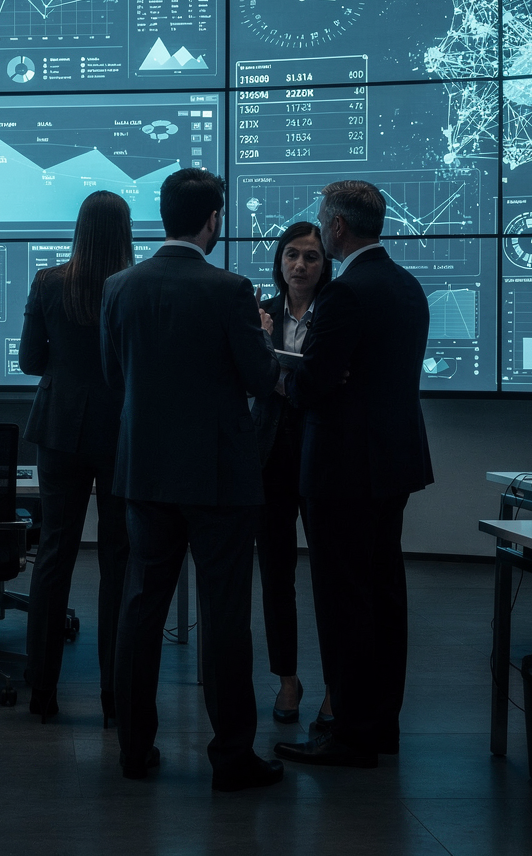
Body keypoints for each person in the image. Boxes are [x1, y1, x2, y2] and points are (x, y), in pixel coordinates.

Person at [101, 167, 287, 793]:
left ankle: (133, 747)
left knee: (140, 610)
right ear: (214, 219)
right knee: (224, 616)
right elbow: (261, 382)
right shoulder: (231, 290)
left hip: (144, 474)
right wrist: (262, 339)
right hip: (218, 479)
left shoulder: (120, 287)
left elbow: (113, 376)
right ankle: (231, 757)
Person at [274, 180, 434, 770]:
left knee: (344, 604)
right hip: (394, 463)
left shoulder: (346, 295)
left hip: (342, 468)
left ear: (337, 228)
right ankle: (380, 724)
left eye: (321, 222)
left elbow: (313, 387)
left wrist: (285, 374)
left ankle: (350, 735)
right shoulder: (406, 285)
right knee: (385, 595)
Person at [19, 190, 134, 725]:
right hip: (121, 433)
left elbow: (28, 361)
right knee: (118, 563)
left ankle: (40, 693)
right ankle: (116, 696)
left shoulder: (48, 282)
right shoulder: (133, 286)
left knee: (52, 558)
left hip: (60, 429)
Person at [250, 222, 332, 729]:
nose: (300, 265)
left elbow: (332, 381)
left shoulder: (336, 313)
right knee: (277, 573)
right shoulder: (263, 314)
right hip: (269, 456)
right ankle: (287, 679)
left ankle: (336, 685)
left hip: (322, 454)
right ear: (279, 260)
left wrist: (287, 380)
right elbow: (252, 377)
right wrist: (262, 344)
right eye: (292, 255)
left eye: (311, 257)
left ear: (325, 266)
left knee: (329, 575)